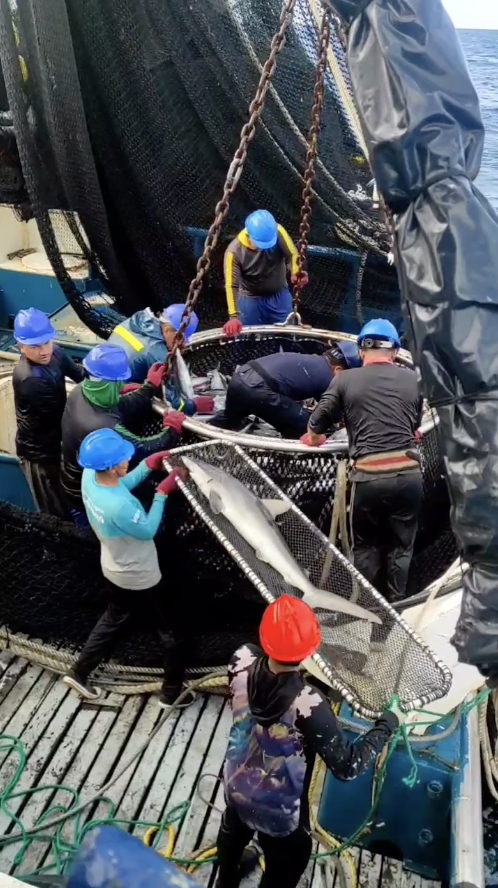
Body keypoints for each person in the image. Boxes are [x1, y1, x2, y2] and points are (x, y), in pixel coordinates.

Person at [215, 595, 401, 888]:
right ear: (310, 650)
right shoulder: (308, 702)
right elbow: (348, 766)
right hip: (277, 808)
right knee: (290, 860)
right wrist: (386, 726)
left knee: (233, 829)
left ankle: (225, 881)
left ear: (264, 637)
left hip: (236, 783)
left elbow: (263, 691)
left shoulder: (241, 657)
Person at [303, 319, 424, 646]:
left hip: (367, 478)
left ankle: (366, 620)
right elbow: (413, 425)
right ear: (395, 352)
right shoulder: (413, 379)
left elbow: (318, 419)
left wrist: (314, 436)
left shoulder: (346, 379)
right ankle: (390, 624)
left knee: (366, 549)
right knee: (401, 549)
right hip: (408, 477)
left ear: (361, 351)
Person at [63, 428, 193, 708]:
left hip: (112, 567)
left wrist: (147, 466)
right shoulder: (120, 507)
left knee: (114, 618)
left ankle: (79, 672)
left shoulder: (90, 477)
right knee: (172, 632)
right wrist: (162, 492)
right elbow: (147, 530)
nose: (129, 460)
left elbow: (119, 485)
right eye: (124, 458)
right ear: (110, 466)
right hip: (142, 576)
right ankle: (171, 693)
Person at [60, 343, 186, 527]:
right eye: (118, 383)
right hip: (88, 505)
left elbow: (118, 406)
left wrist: (149, 387)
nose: (121, 387)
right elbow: (143, 448)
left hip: (76, 485)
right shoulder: (103, 427)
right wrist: (171, 429)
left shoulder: (80, 391)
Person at [12, 307, 85, 518]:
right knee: (54, 513)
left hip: (56, 443)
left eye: (47, 342)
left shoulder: (57, 353)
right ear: (21, 347)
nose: (44, 351)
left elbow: (81, 375)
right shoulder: (30, 380)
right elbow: (62, 417)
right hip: (38, 456)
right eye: (35, 346)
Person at [218, 342, 361, 439]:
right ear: (338, 369)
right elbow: (334, 414)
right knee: (306, 427)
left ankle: (201, 433)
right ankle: (289, 461)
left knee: (228, 420)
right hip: (259, 390)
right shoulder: (329, 378)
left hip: (239, 378)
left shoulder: (313, 361)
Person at [107, 306, 211, 417]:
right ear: (166, 329)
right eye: (180, 337)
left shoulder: (139, 319)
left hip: (96, 378)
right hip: (113, 399)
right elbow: (173, 404)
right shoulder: (157, 353)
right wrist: (194, 405)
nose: (183, 344)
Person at [222, 210, 308, 333]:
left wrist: (296, 271)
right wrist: (233, 316)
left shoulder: (277, 231)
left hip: (279, 296)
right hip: (250, 300)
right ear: (249, 236)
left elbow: (292, 254)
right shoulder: (234, 252)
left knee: (289, 334)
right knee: (246, 339)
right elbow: (231, 285)